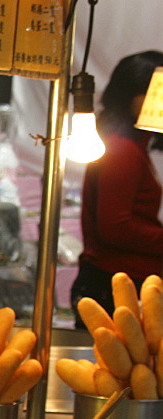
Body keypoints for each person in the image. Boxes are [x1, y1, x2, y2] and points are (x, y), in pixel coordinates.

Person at [71, 50, 163, 327]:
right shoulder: (122, 150)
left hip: (122, 280)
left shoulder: (132, 147)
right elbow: (115, 226)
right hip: (114, 284)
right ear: (131, 96)